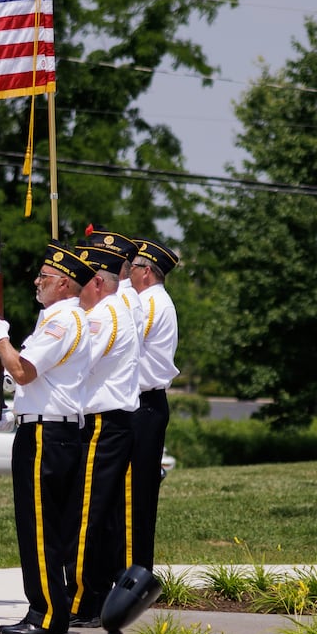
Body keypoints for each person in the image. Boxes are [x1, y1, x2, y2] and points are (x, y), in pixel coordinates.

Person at [0, 241, 100, 634]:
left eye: (45, 277)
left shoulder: (60, 321)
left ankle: (46, 615)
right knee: (51, 528)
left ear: (64, 284)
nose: (37, 281)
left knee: (40, 528)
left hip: (46, 435)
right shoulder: (67, 318)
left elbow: (23, 370)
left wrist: (0, 336)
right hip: (55, 431)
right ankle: (51, 610)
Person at [67, 232, 141, 628]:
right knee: (101, 516)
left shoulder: (103, 316)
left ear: (98, 281)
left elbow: (75, 363)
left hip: (102, 424)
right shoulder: (115, 309)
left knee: (86, 514)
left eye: (82, 277)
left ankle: (81, 599)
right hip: (110, 423)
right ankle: (92, 595)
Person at [125, 237, 181, 572]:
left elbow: (124, 350)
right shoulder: (148, 301)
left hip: (143, 406)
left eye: (131, 268)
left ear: (146, 272)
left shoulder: (150, 305)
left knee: (135, 499)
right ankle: (131, 572)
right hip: (142, 405)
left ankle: (134, 575)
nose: (128, 274)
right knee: (130, 497)